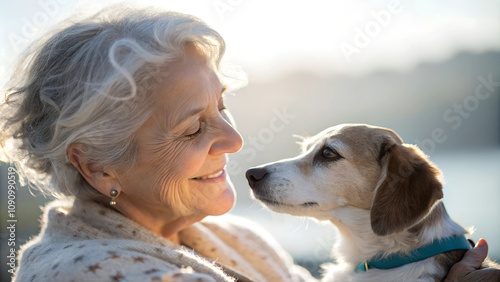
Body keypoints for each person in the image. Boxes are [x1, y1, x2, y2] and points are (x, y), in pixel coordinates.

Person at [0, 5, 495, 282]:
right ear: (98, 166)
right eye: (193, 127)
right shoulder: (89, 274)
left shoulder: (238, 240)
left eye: (223, 106)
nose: (235, 140)